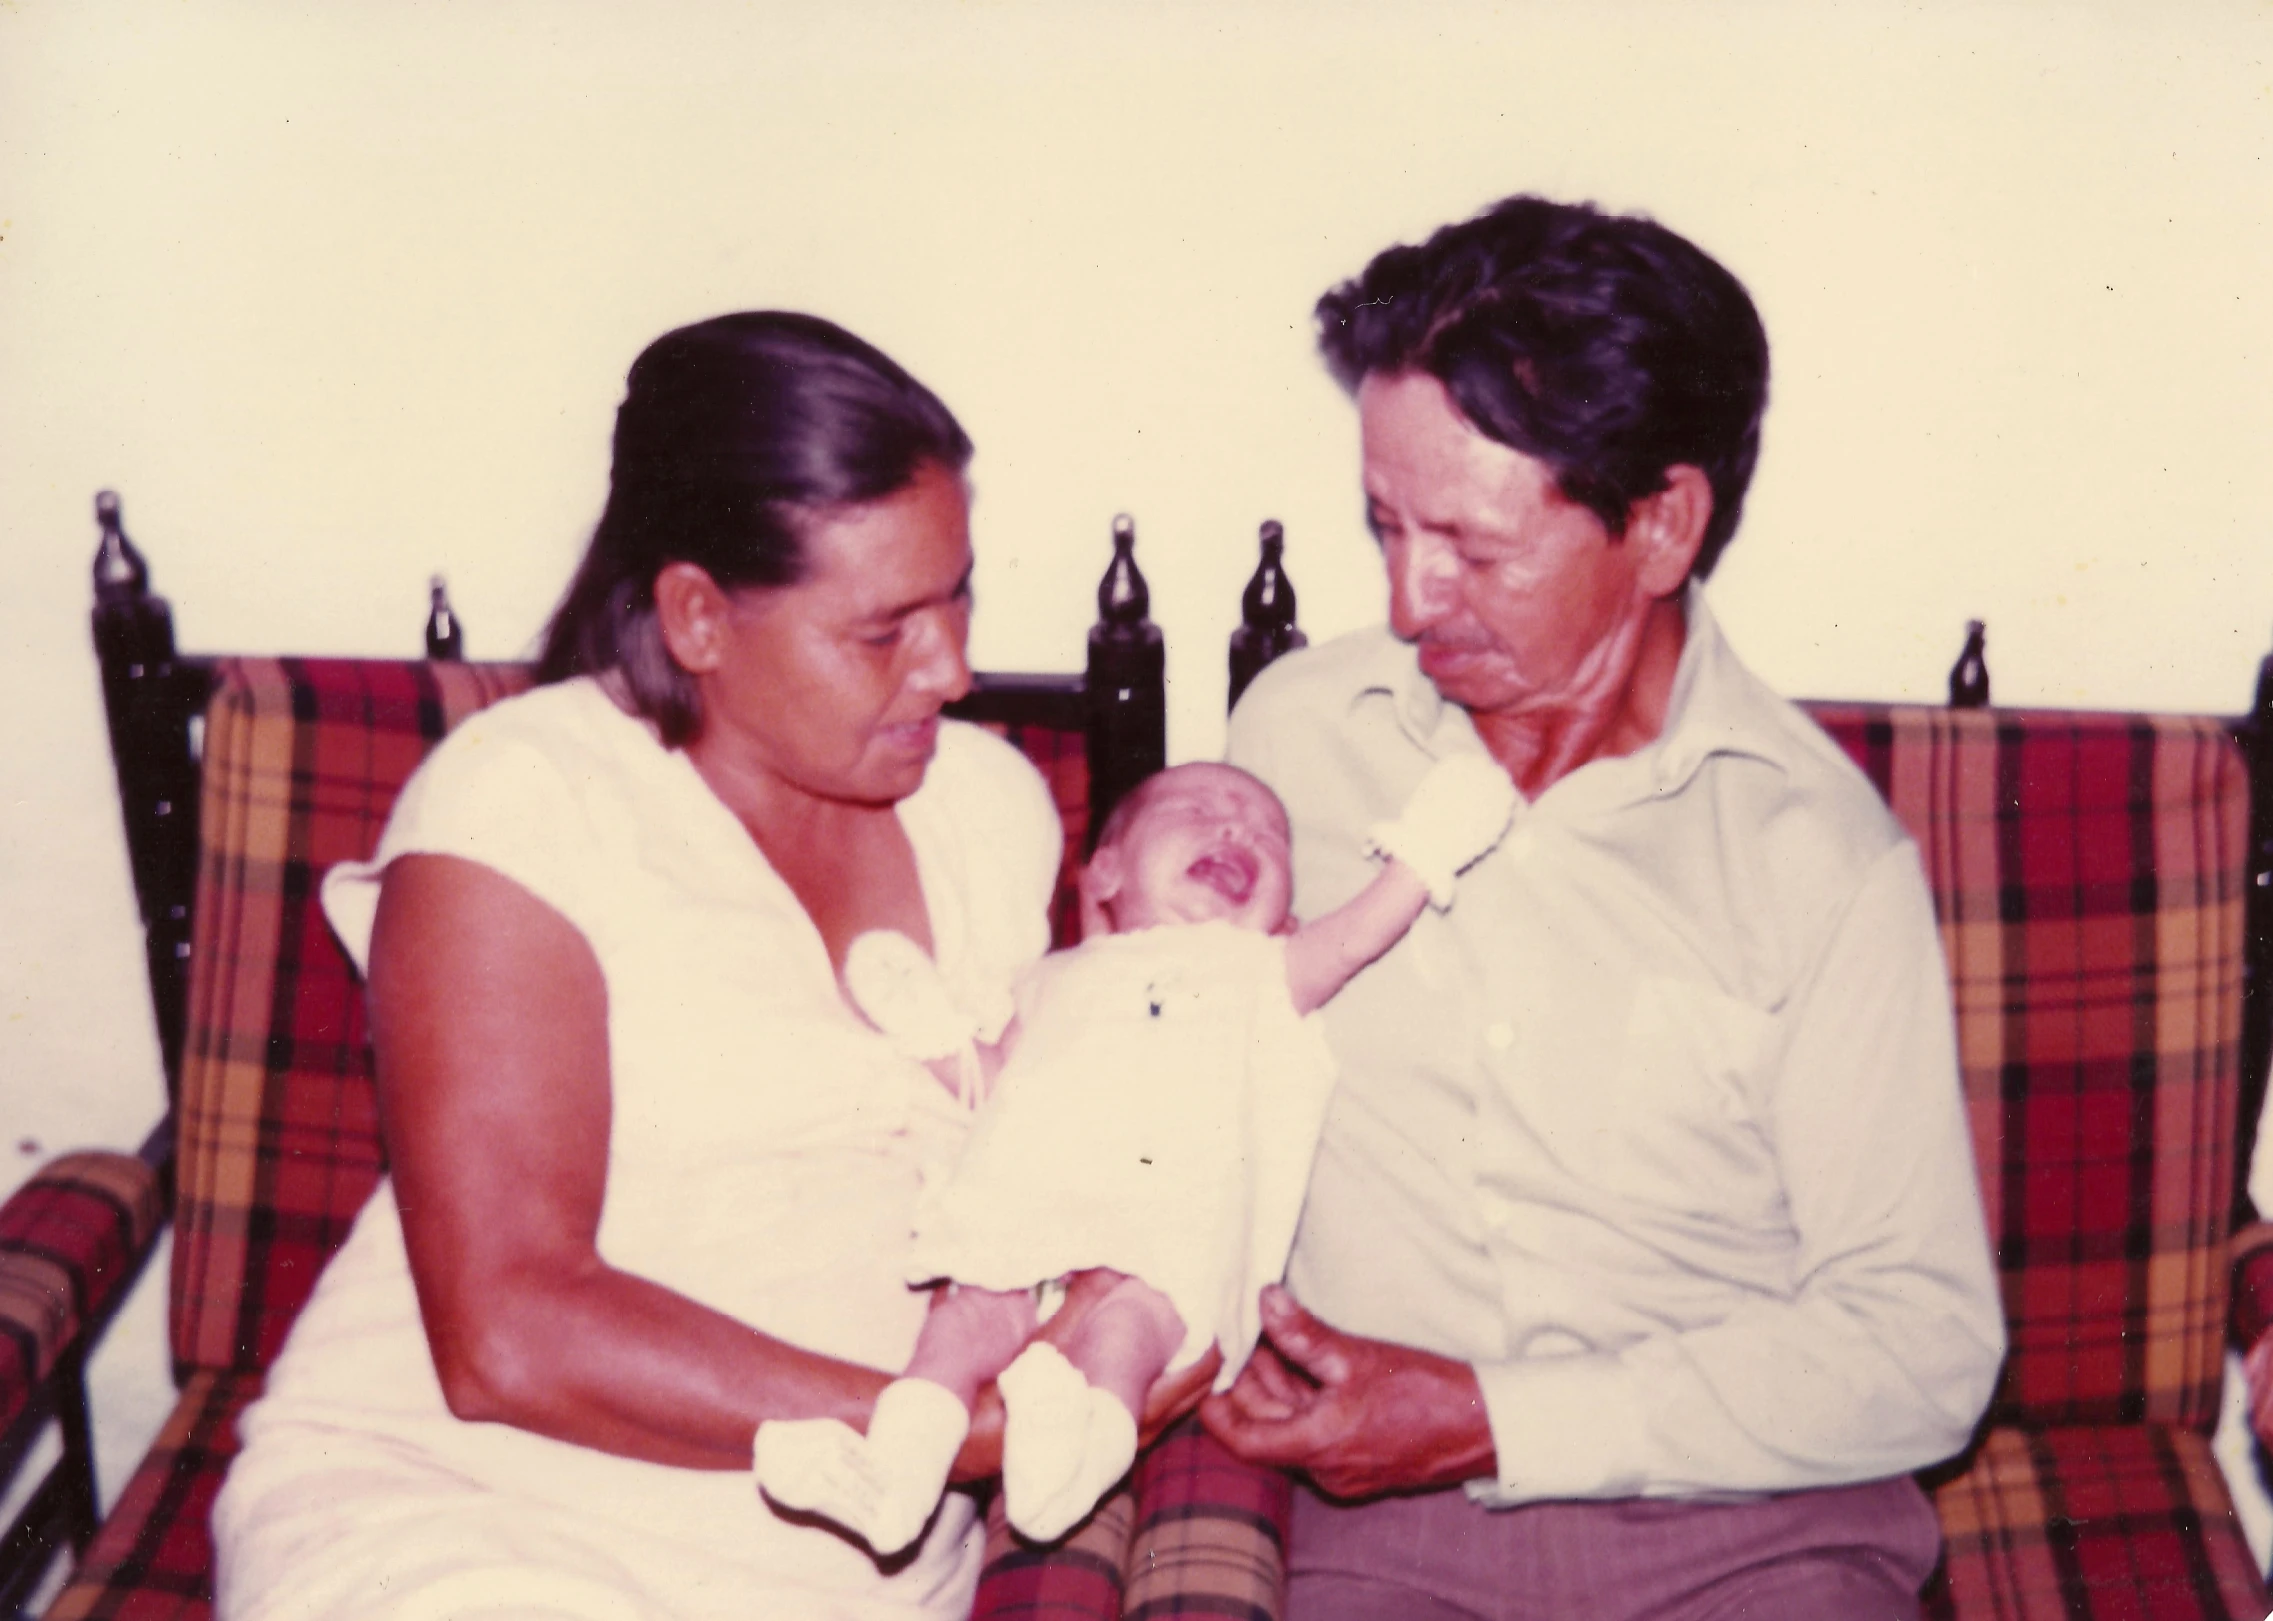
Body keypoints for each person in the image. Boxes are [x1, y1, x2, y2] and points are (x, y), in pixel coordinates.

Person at [211, 312, 1209, 1621]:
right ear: (695, 615)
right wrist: (938, 1430)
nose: (952, 668)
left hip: (839, 1574)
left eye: (957, 593)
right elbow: (506, 1332)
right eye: (882, 630)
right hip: (464, 1521)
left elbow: (1055, 1159)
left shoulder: (990, 809)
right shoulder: (526, 800)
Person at [1204, 196, 2006, 1621]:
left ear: (1661, 527)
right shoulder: (1291, 744)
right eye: (1384, 525)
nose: (1405, 595)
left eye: (1471, 544)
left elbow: (1923, 1345)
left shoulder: (1816, 857)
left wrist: (1498, 1415)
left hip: (1759, 1537)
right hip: (1384, 1535)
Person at [754, 755, 1515, 1555]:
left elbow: (1358, 935)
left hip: (1160, 1242)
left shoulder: (1265, 970)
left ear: (1286, 918)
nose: (1233, 826)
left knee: (1123, 1340)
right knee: (955, 1330)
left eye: (1266, 832)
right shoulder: (1051, 977)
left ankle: (1064, 1477)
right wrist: (935, 1033)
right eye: (1196, 808)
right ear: (1105, 870)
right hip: (1020, 1217)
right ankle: (893, 1484)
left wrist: (1427, 848)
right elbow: (1001, 1081)